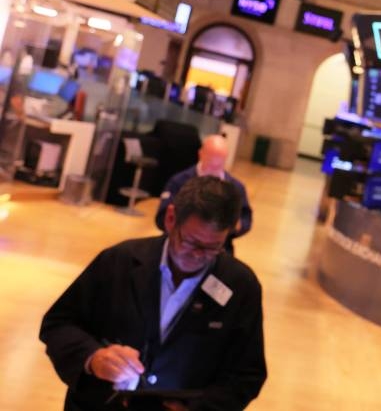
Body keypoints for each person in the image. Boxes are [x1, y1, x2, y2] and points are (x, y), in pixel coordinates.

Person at [39, 176, 267, 410]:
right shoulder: (119, 261)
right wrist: (92, 358)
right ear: (170, 219)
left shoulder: (240, 286)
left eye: (212, 248)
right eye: (191, 242)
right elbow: (58, 324)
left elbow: (247, 374)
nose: (198, 255)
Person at [156, 135, 251, 254]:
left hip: (218, 250)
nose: (214, 169)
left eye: (219, 164)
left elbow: (246, 219)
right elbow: (161, 217)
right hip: (180, 246)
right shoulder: (179, 181)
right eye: (211, 164)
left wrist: (236, 226)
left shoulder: (236, 187)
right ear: (200, 154)